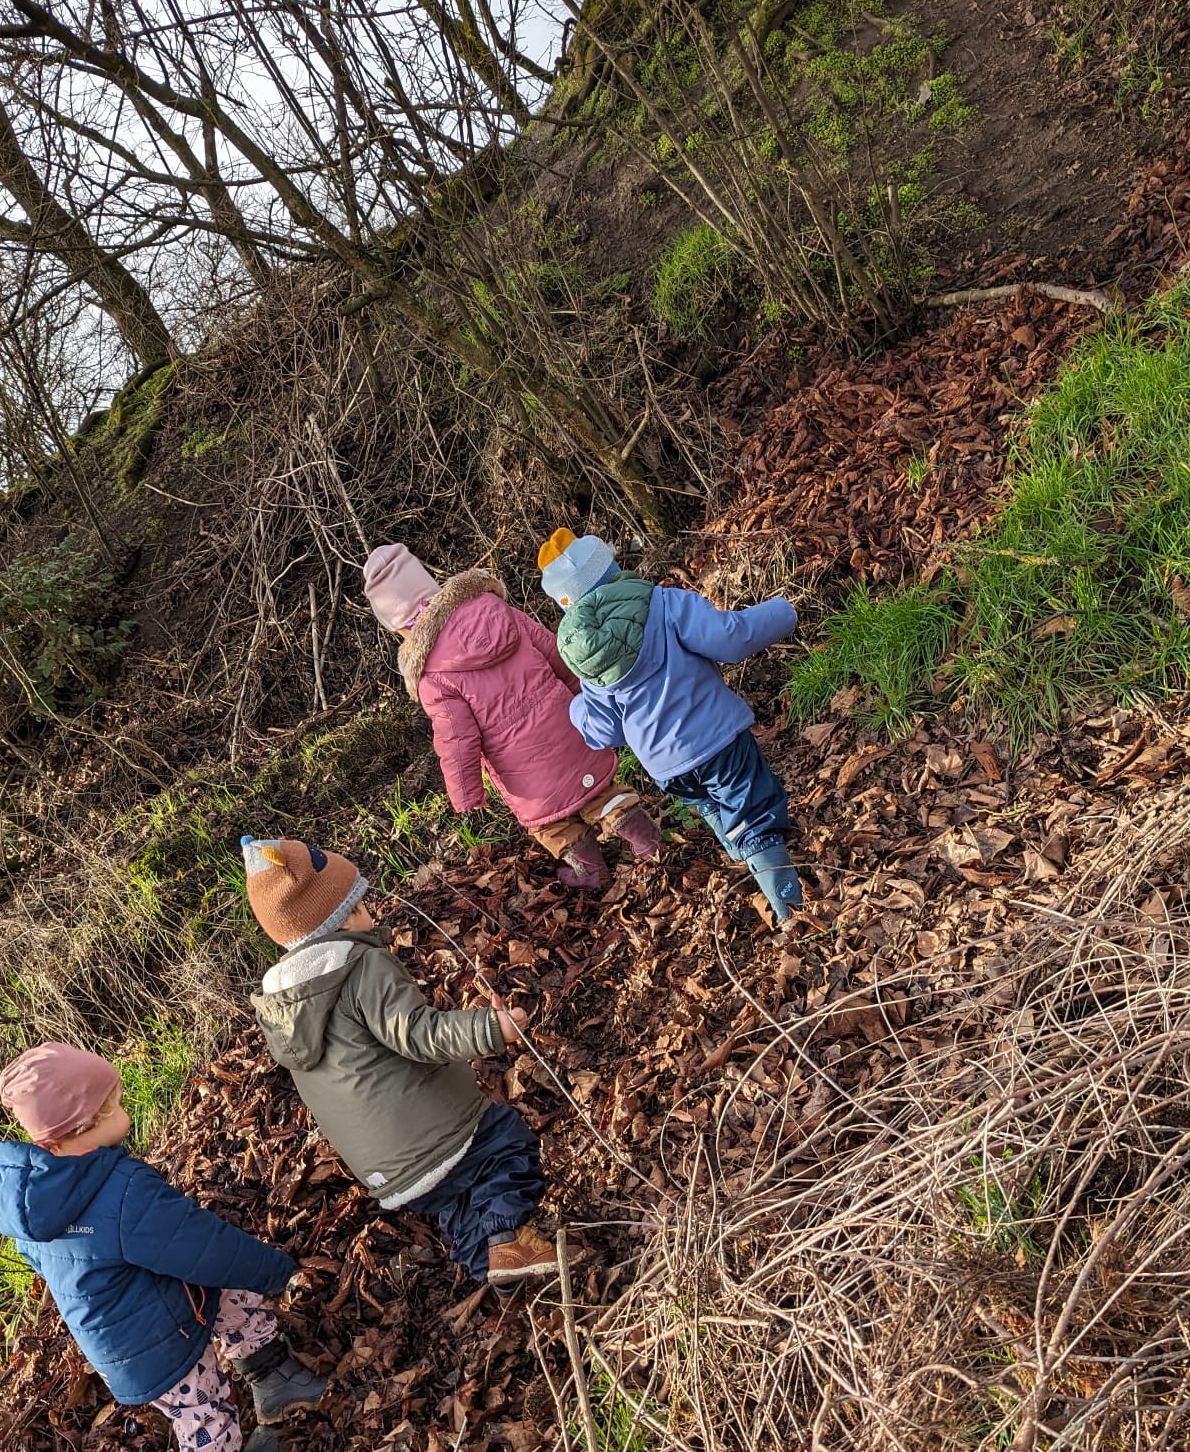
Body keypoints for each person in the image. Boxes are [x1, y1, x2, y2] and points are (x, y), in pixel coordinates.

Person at [0, 1043, 322, 1452]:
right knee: (202, 1410)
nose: (122, 1112)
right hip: (151, 1346)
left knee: (228, 1294)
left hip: (136, 1318)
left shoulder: (27, 1201)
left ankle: (275, 1379)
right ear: (76, 1132)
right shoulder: (121, 1191)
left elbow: (55, 1265)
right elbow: (202, 1245)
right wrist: (274, 1271)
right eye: (114, 1107)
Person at [241, 834, 558, 1287]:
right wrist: (492, 1029)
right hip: (435, 1131)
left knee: (453, 1203)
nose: (369, 910)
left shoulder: (283, 1008)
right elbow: (417, 1033)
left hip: (385, 1167)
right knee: (506, 1145)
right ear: (347, 914)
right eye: (361, 901)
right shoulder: (360, 966)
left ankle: (494, 1268)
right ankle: (502, 1237)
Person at [539, 529, 806, 926]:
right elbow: (730, 639)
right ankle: (794, 912)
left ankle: (747, 857)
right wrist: (784, 611)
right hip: (717, 740)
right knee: (754, 818)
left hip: (668, 768)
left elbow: (604, 732)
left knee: (711, 804)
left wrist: (577, 707)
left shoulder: (588, 660)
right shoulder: (663, 603)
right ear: (611, 569)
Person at [363, 541, 663, 892]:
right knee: (600, 789)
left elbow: (456, 739)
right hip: (569, 727)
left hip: (523, 771)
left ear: (400, 627)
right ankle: (648, 843)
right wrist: (589, 700)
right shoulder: (493, 608)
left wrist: (466, 793)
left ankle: (592, 872)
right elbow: (554, 651)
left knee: (550, 823)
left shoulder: (432, 675)